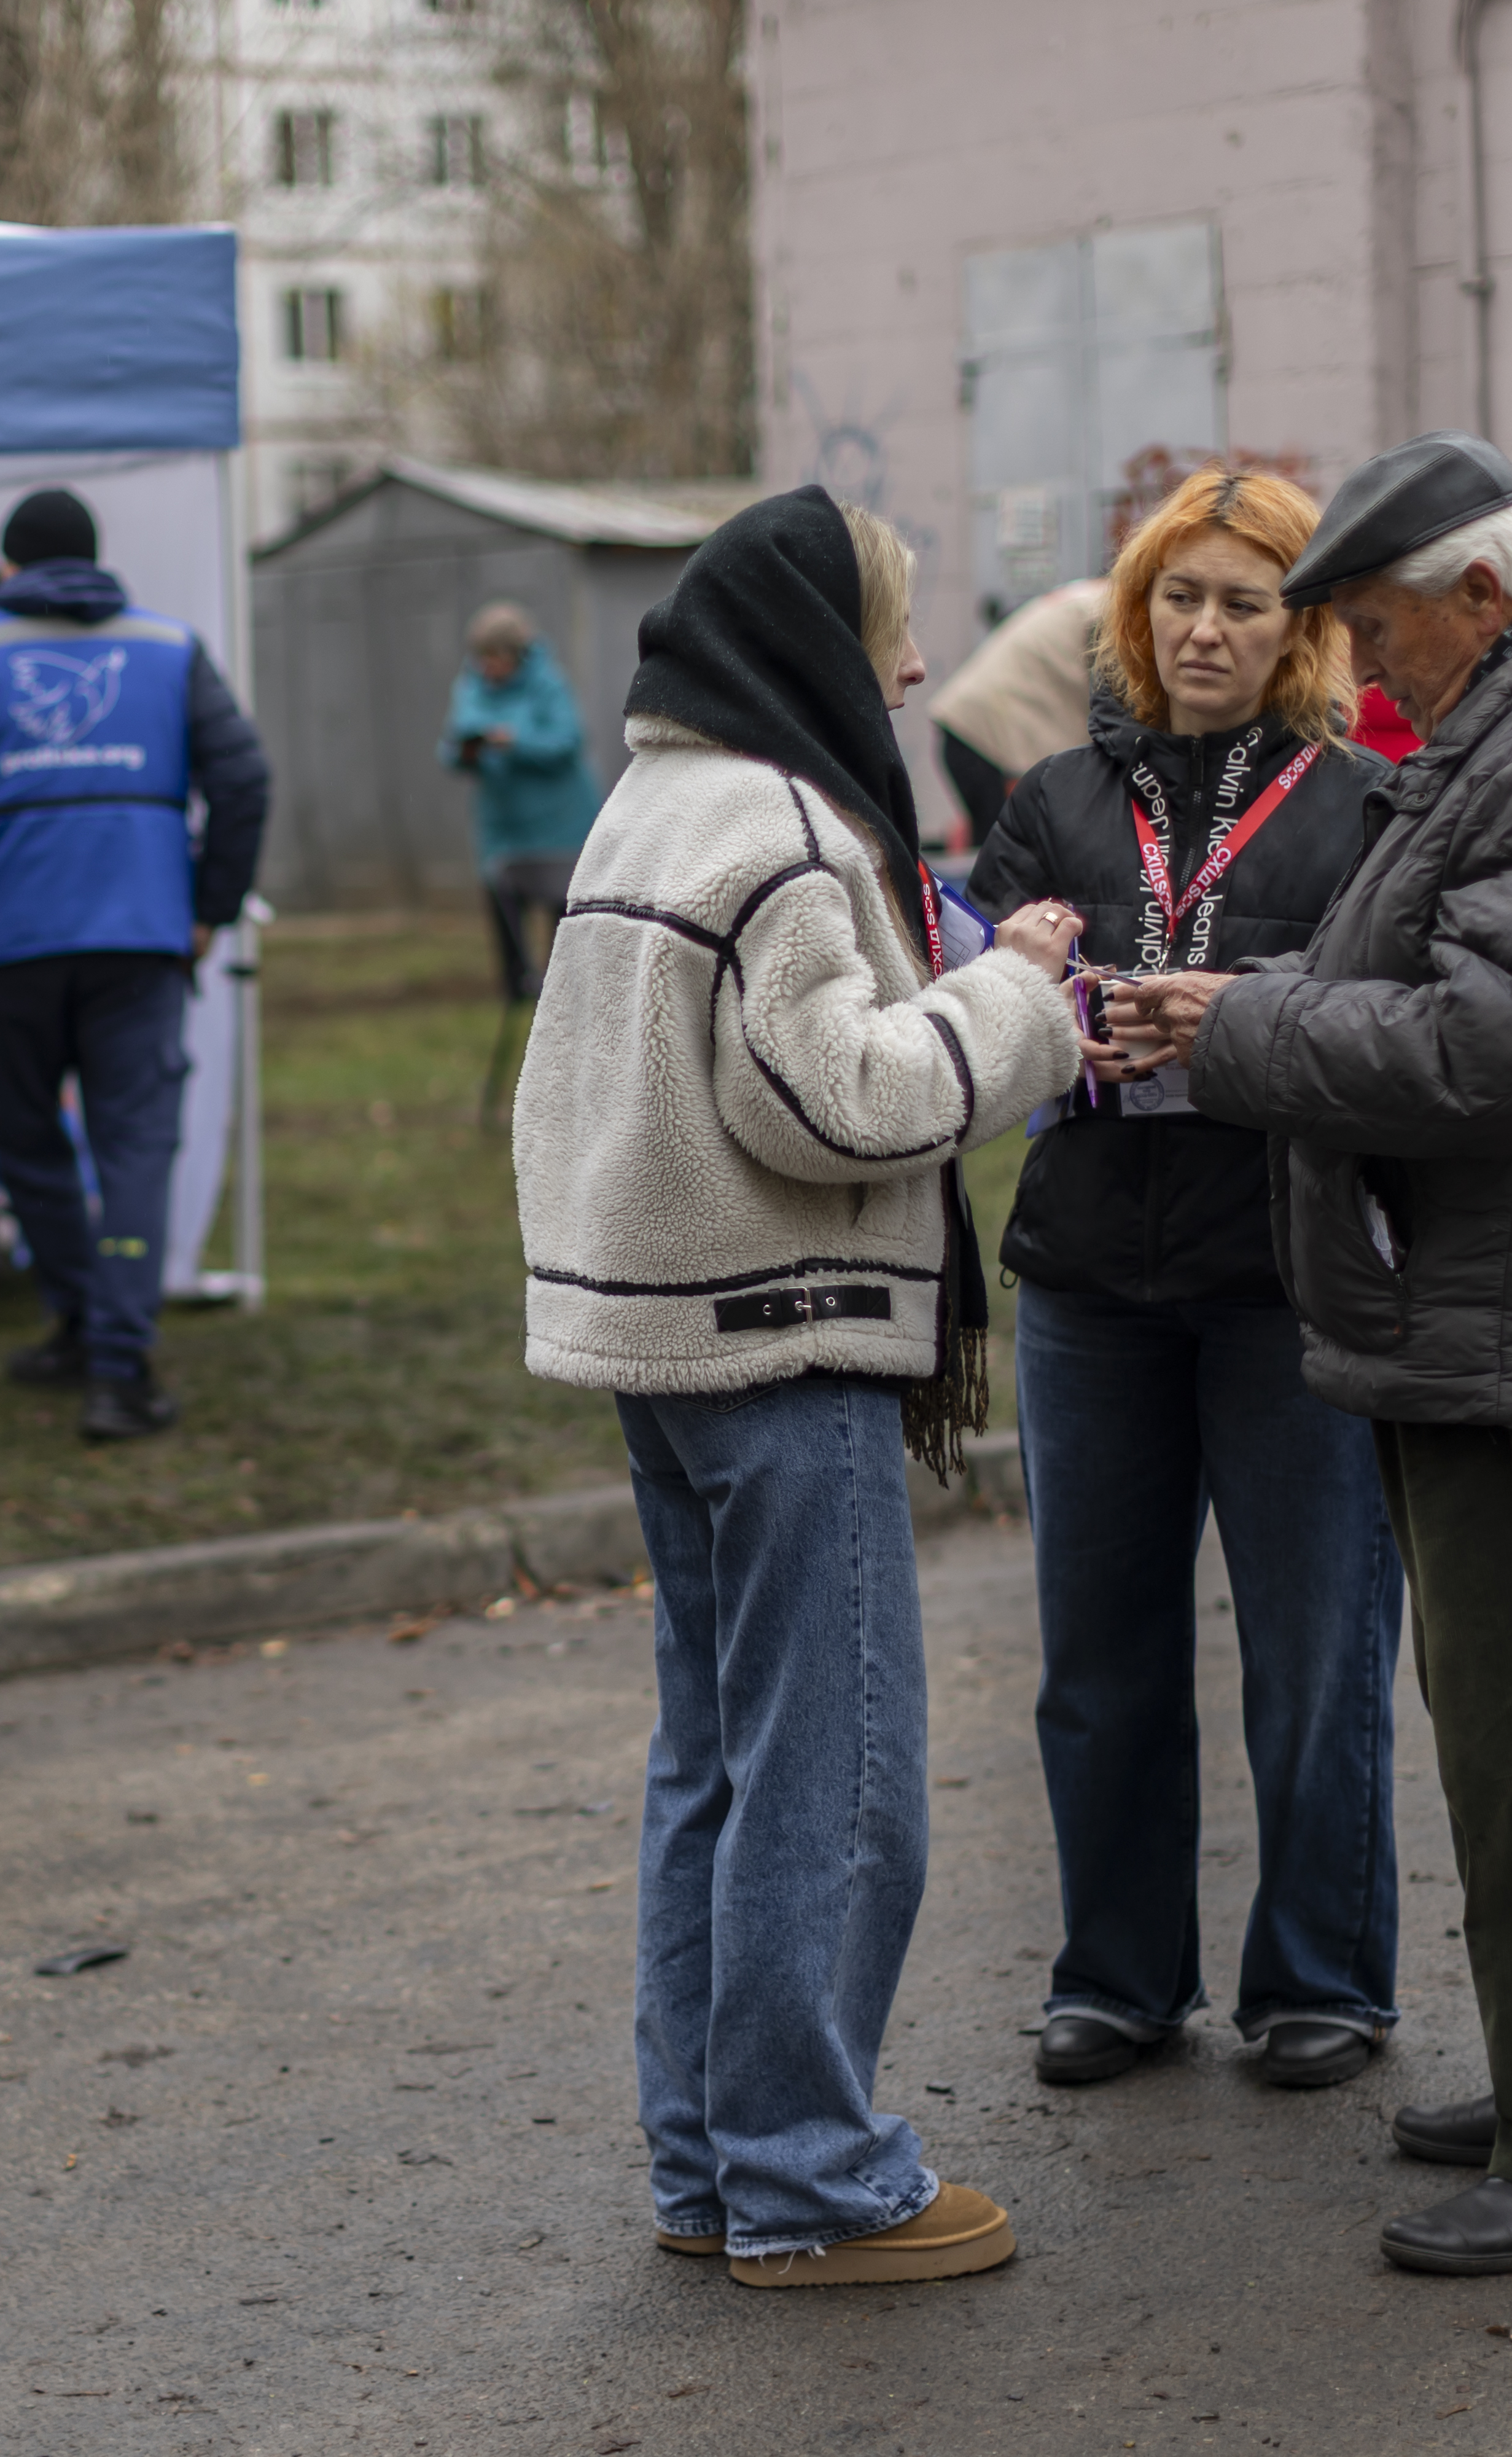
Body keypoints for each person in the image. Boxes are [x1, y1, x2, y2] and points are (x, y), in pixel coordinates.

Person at [1105, 432, 1512, 2276]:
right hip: (1504, 1301)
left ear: (1482, 594)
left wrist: (1234, 1037)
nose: (1365, 670)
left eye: (1379, 629)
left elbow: (1483, 1050)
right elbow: (1441, 987)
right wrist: (1267, 1007)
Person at [513, 485, 1094, 2288]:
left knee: (714, 1759)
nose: (915, 667)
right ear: (810, 649)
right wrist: (1014, 997)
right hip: (778, 1336)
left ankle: (708, 2157)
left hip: (655, 1338)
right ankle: (811, 2174)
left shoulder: (649, 800)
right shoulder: (777, 827)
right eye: (886, 633)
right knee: (834, 1776)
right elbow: (832, 1092)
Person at [964, 466, 1406, 2096]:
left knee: (1316, 1646)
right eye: (1177, 597)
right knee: (1101, 1654)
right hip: (1089, 1276)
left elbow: (1398, 1017)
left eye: (1241, 599)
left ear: (1298, 627)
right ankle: (1117, 1978)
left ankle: (1320, 1981)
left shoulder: (1365, 803)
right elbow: (985, 1003)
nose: (1204, 628)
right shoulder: (1058, 797)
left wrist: (1238, 1007)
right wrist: (1040, 1007)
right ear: (1134, 616)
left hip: (1288, 1274)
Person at [0, 486, 271, 1441]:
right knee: (134, 1144)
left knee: (26, 1139)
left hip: (5, 947)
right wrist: (208, 911)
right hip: (141, 938)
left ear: (9, 568)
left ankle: (81, 1319)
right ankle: (114, 1357)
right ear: (95, 559)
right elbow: (243, 778)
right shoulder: (169, 648)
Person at [438, 601, 601, 1002]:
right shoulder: (470, 687)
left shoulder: (548, 684)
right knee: (504, 911)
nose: (488, 666)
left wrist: (511, 741)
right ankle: (517, 996)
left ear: (517, 654)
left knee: (563, 918)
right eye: (483, 657)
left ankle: (566, 998)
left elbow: (567, 742)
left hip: (559, 826)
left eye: (496, 657)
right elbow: (451, 747)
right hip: (504, 830)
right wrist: (467, 751)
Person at [928, 577, 1107, 842]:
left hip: (971, 727)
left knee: (994, 845)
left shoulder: (1086, 598)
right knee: (1005, 853)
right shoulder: (1108, 610)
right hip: (985, 739)